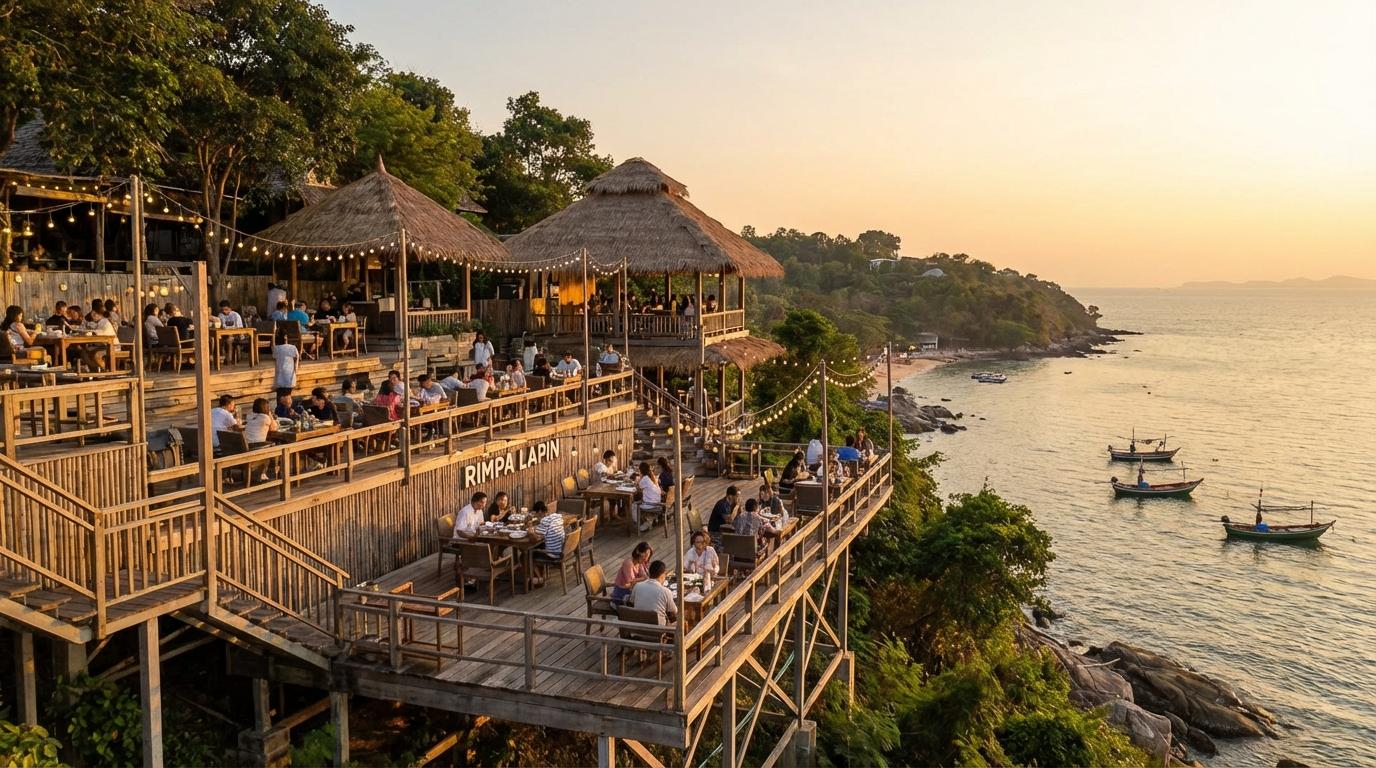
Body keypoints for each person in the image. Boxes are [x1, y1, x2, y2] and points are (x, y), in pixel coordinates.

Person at [629, 561, 677, 626]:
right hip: (658, 629)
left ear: (649, 573)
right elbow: (674, 612)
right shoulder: (666, 591)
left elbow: (632, 601)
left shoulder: (637, 586)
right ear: (663, 574)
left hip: (639, 626)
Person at [636, 460, 662, 532]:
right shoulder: (652, 477)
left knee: (634, 505)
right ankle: (647, 520)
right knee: (639, 500)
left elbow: (638, 487)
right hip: (657, 502)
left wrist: (640, 477)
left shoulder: (645, 479)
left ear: (641, 470)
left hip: (651, 504)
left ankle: (641, 524)